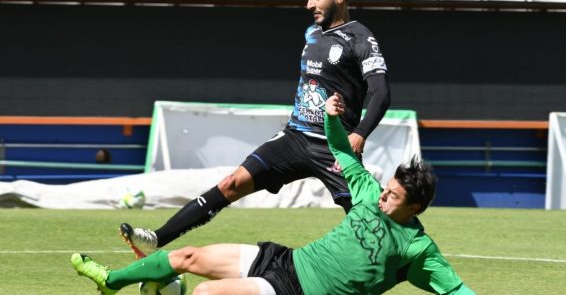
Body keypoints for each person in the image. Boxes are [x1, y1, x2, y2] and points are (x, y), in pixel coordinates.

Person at [119, 0, 392, 258]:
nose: (309, 4)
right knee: (231, 183)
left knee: (372, 226)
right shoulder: (311, 33)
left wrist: (359, 135)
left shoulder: (361, 38)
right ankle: (157, 238)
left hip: (336, 147)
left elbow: (381, 93)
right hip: (295, 138)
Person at [71, 94, 475, 295]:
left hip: (293, 291)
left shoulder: (418, 249)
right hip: (285, 259)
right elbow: (338, 149)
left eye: (393, 196)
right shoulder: (369, 192)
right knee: (188, 257)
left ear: (415, 207)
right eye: (387, 188)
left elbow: (455, 290)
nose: (384, 196)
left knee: (205, 294)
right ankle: (111, 281)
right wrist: (333, 119)